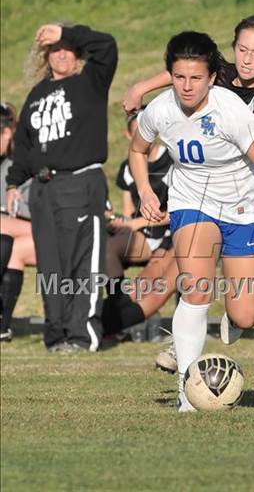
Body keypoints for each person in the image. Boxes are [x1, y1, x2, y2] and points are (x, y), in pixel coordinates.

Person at [123, 15, 254, 404]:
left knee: (248, 312)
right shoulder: (177, 96)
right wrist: (147, 191)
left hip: (247, 202)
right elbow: (139, 145)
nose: (248, 59)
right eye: (242, 50)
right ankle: (188, 389)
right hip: (192, 201)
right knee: (196, 288)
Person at [6, 23, 118, 353]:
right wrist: (14, 182)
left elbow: (107, 44)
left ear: (78, 52)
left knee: (82, 264)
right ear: (45, 56)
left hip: (81, 183)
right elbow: (25, 143)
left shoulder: (91, 82)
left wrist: (66, 32)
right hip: (43, 189)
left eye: (68, 48)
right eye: (55, 49)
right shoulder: (38, 94)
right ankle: (57, 336)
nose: (62, 54)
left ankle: (82, 336)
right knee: (51, 266)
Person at [102, 112, 178, 346]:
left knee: (149, 283)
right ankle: (114, 310)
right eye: (136, 131)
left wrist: (138, 223)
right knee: (107, 249)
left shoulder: (172, 160)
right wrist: (117, 221)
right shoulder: (128, 167)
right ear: (128, 134)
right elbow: (129, 212)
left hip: (172, 235)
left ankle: (108, 324)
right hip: (143, 238)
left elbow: (179, 211)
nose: (142, 136)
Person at [1, 102, 35, 342]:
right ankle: (3, 326)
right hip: (13, 237)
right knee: (5, 244)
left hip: (40, 232)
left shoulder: (22, 163)